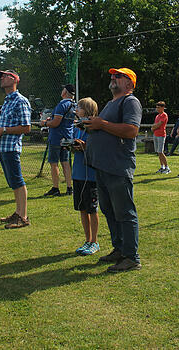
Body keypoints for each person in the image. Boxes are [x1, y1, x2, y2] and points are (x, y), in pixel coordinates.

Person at [85, 67, 142, 272]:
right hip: (103, 166)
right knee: (109, 211)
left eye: (118, 76)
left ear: (129, 83)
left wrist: (102, 123)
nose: (113, 78)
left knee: (124, 212)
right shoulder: (111, 103)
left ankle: (131, 257)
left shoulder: (130, 101)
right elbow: (104, 128)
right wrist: (92, 127)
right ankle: (119, 249)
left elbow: (131, 130)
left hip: (118, 166)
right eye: (112, 75)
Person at [0, 69, 32, 229]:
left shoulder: (21, 101)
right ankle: (18, 212)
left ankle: (23, 217)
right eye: (1, 76)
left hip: (12, 148)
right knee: (13, 182)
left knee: (18, 181)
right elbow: (7, 126)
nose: (2, 78)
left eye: (5, 76)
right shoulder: (7, 101)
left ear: (15, 79)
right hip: (3, 147)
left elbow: (26, 127)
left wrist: (3, 130)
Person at [71, 97, 100, 255]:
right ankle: (87, 240)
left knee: (92, 209)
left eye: (79, 107)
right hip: (78, 174)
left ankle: (94, 241)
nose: (76, 109)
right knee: (82, 208)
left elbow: (96, 148)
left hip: (91, 176)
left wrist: (84, 146)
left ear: (87, 110)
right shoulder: (77, 127)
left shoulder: (94, 128)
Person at [40, 84, 75, 197]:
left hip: (56, 138)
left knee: (54, 163)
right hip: (67, 137)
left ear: (65, 92)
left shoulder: (62, 105)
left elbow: (56, 123)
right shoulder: (74, 105)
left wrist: (45, 123)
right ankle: (69, 187)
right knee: (65, 162)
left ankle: (56, 188)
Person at [151, 101, 170, 173]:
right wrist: (153, 127)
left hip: (161, 135)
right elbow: (155, 124)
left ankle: (167, 167)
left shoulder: (164, 115)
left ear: (163, 107)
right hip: (156, 134)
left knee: (161, 152)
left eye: (158, 107)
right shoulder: (157, 116)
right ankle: (162, 167)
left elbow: (159, 124)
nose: (157, 109)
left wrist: (152, 128)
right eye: (156, 107)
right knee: (158, 152)